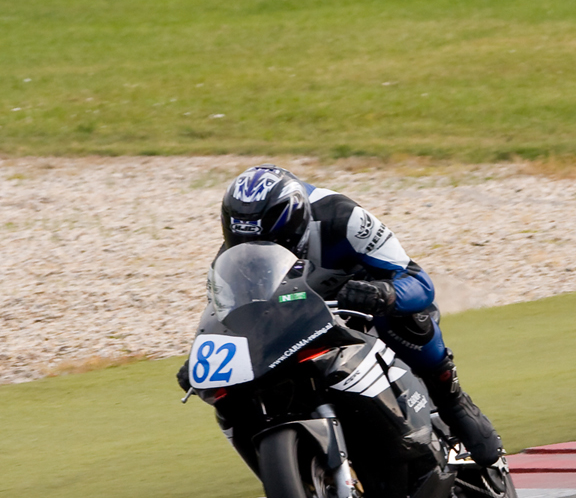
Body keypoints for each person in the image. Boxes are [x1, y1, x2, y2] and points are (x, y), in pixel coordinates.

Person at [181, 164, 502, 465]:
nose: (258, 248)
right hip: (302, 316)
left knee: (405, 319)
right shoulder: (235, 253)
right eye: (247, 242)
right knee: (240, 389)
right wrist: (206, 356)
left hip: (365, 301)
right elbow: (233, 317)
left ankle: (453, 400)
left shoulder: (342, 216)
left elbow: (418, 281)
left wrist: (383, 293)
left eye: (270, 241)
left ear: (296, 221)